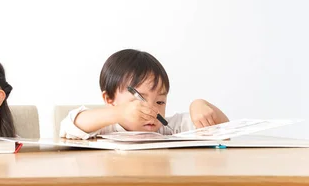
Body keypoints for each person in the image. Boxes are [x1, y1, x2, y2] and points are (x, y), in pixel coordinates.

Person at [60, 49, 229, 139]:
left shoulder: (168, 128)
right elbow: (68, 127)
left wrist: (200, 105)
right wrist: (118, 114)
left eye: (160, 102)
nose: (152, 111)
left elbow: (224, 130)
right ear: (109, 99)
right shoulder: (105, 128)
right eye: (139, 100)